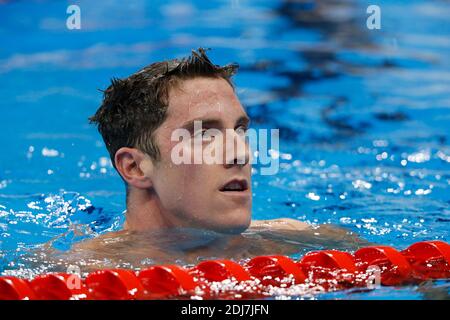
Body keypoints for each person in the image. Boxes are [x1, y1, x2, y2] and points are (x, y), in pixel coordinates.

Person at [61, 48, 364, 268]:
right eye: (205, 134)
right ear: (135, 167)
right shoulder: (82, 269)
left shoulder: (303, 242)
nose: (241, 153)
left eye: (241, 131)